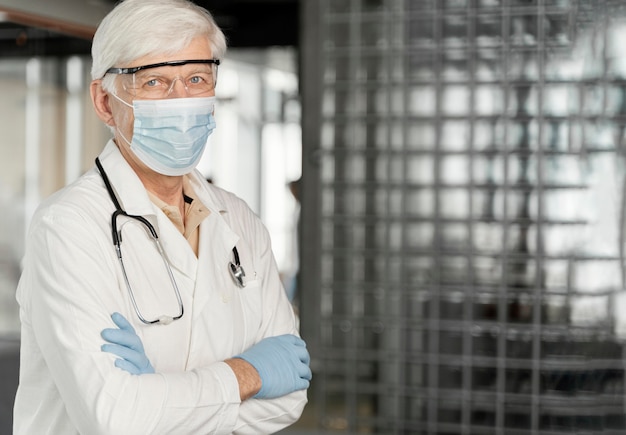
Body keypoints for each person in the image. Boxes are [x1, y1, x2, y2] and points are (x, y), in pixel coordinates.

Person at [12, 0, 311, 433]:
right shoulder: (68, 226)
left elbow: (289, 400)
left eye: (196, 78)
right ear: (104, 101)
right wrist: (249, 375)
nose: (181, 100)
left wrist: (157, 394)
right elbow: (115, 419)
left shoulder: (240, 221)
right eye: (153, 81)